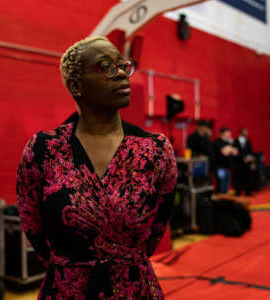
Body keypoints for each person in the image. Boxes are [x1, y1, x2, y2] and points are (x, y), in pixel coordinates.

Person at [16, 36, 177, 299]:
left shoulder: (155, 149)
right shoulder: (44, 149)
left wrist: (122, 260)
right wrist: (73, 266)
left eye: (123, 65)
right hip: (67, 289)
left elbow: (157, 227)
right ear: (76, 84)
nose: (122, 73)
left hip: (133, 288)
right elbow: (33, 227)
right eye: (106, 67)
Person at [213, 127, 238, 194]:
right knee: (221, 185)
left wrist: (229, 148)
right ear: (222, 134)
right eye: (227, 133)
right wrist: (230, 149)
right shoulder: (217, 142)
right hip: (220, 168)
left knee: (226, 187)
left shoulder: (228, 142)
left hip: (227, 168)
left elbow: (236, 152)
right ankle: (220, 201)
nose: (229, 135)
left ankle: (224, 201)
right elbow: (225, 152)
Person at [233, 128, 255, 196]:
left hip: (247, 163)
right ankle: (238, 192)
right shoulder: (235, 141)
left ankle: (248, 192)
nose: (246, 133)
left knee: (247, 177)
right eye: (245, 132)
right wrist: (242, 158)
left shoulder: (248, 141)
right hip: (238, 163)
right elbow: (234, 152)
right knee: (238, 178)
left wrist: (250, 160)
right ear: (241, 132)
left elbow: (250, 152)